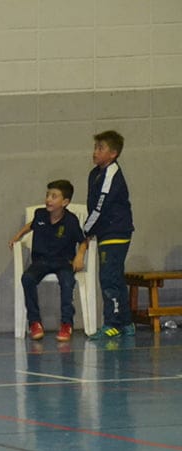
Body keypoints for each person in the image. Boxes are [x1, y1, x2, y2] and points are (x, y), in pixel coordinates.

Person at [8, 180, 88, 342]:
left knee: (67, 282)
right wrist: (18, 235)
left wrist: (79, 256)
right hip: (41, 261)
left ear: (65, 202)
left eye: (54, 196)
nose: (48, 200)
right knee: (27, 279)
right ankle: (34, 322)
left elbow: (83, 241)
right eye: (47, 195)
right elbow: (31, 225)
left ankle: (66, 323)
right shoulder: (40, 214)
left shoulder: (71, 221)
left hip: (63, 262)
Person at [82, 130, 135, 340]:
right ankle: (126, 322)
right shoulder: (94, 173)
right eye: (95, 147)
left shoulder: (111, 174)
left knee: (109, 278)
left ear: (113, 154)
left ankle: (113, 323)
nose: (95, 152)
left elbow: (99, 208)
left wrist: (85, 231)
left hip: (116, 232)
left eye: (100, 148)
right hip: (105, 232)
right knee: (116, 276)